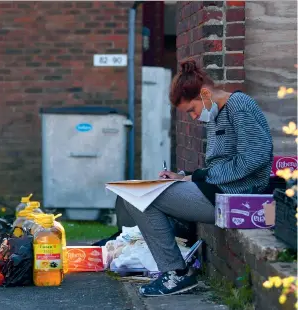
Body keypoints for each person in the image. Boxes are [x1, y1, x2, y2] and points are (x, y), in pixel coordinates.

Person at [115, 59, 273, 297]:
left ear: (205, 94)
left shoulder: (239, 105)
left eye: (191, 109)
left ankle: (177, 273)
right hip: (217, 191)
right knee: (134, 193)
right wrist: (184, 176)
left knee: (139, 197)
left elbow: (256, 157)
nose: (192, 117)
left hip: (238, 197)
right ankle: (175, 271)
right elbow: (217, 166)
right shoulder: (216, 114)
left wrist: (197, 177)